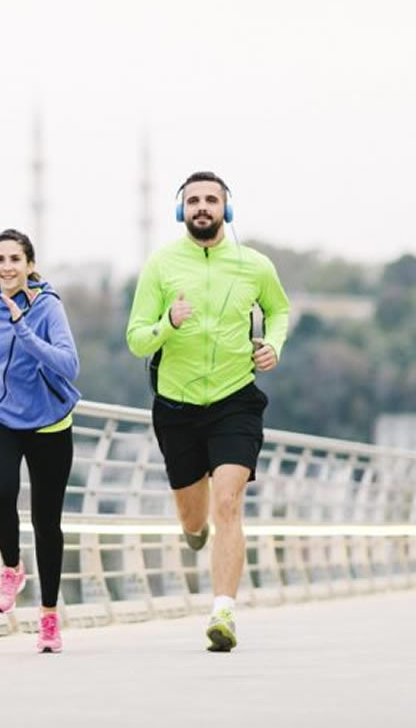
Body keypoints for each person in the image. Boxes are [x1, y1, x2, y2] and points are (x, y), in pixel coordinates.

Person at [126, 171, 290, 652]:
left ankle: (223, 611)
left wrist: (273, 345)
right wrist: (166, 324)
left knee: (228, 503)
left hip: (235, 401)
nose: (202, 207)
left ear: (226, 209)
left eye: (211, 200)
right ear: (182, 211)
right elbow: (136, 339)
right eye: (193, 200)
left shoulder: (254, 265)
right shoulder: (161, 265)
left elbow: (279, 310)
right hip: (176, 405)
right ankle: (194, 532)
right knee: (193, 517)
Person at [0, 228, 80, 654]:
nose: (7, 267)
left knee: (47, 524)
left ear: (29, 265)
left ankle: (48, 620)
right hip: (1, 420)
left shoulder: (49, 309)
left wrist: (23, 327)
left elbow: (69, 365)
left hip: (50, 426)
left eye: (15, 259)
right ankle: (11, 568)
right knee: (1, 492)